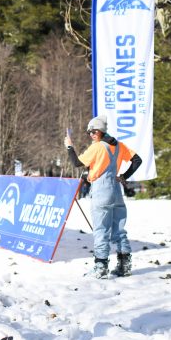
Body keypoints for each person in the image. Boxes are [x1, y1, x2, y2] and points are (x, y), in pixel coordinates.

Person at [64, 116, 142, 279]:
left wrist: (70, 147)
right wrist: (124, 176)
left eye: (93, 131)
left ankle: (100, 267)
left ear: (100, 131)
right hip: (116, 191)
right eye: (89, 132)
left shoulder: (97, 147)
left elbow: (77, 163)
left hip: (101, 191)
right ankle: (124, 265)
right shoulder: (119, 146)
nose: (91, 134)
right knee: (119, 230)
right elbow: (137, 160)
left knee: (101, 230)